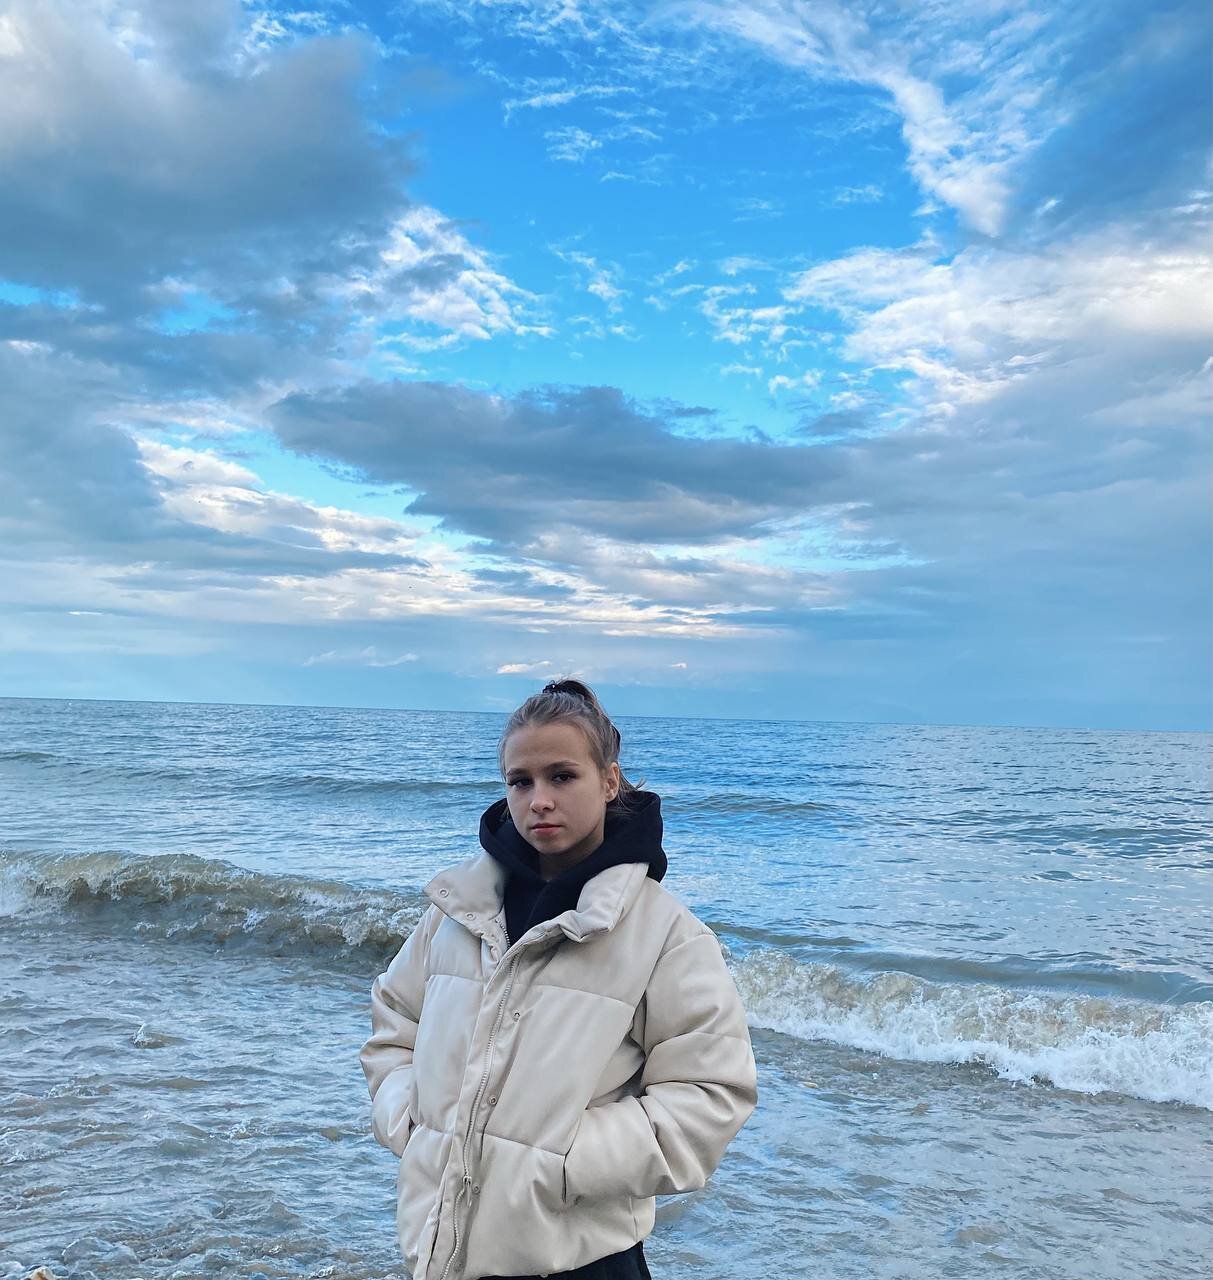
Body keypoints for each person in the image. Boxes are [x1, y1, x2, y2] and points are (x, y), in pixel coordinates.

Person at [359, 678, 758, 1280]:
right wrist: (414, 1124)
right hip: (441, 1250)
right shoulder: (457, 910)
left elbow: (711, 1095)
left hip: (583, 1262)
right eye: (520, 781)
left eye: (562, 776)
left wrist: (563, 1161)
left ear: (610, 781)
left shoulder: (665, 934)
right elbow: (394, 1024)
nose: (539, 800)